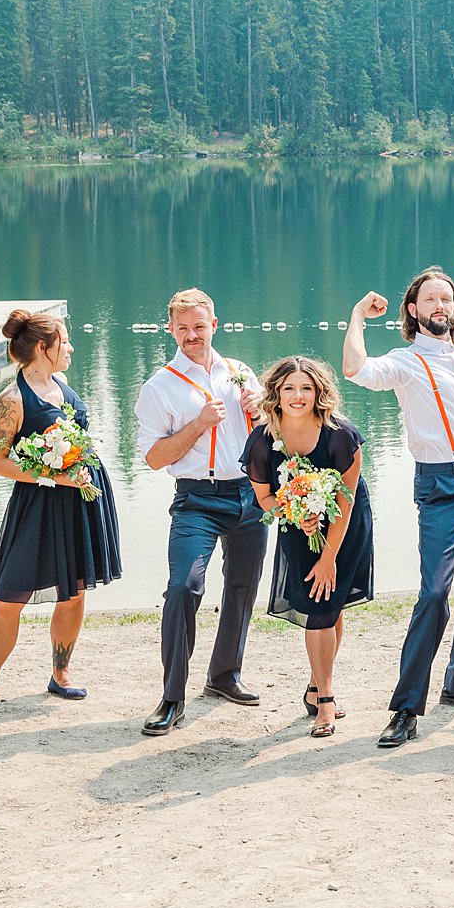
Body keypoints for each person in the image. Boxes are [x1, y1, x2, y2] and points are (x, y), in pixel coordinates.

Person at [345, 261, 454, 748]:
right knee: (434, 593)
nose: (440, 305)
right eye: (431, 299)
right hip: (441, 485)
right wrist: (357, 316)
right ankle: (405, 708)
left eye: (447, 298)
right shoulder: (405, 361)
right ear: (413, 309)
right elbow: (355, 369)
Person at [0, 309, 122, 710]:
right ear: (43, 347)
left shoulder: (62, 386)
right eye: (65, 341)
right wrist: (52, 475)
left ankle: (61, 674)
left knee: (74, 592)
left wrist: (77, 470)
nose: (71, 348)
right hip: (38, 506)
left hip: (80, 501)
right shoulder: (11, 400)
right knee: (10, 596)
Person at [133, 288, 266, 737]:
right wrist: (198, 424)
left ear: (214, 324)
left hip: (250, 493)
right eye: (183, 328)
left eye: (199, 326)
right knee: (183, 587)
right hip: (197, 500)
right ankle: (172, 697)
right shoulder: (160, 386)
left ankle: (224, 675)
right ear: (171, 329)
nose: (192, 335)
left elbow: (274, 434)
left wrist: (262, 413)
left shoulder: (239, 372)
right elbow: (154, 458)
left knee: (243, 587)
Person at [244, 356, 374, 740]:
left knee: (329, 604)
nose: (297, 396)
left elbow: (346, 500)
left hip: (346, 526)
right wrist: (295, 512)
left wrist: (329, 557)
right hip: (297, 528)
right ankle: (322, 693)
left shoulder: (341, 435)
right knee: (320, 608)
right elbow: (265, 499)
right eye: (289, 388)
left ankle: (322, 694)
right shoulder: (262, 441)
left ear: (319, 393)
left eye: (306, 388)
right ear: (276, 393)